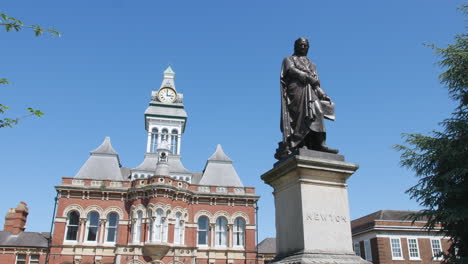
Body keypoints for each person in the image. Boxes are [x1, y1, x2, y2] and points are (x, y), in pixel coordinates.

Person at [275, 37, 338, 160]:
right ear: (295, 46)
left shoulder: (312, 65)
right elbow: (291, 71)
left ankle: (320, 143)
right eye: (301, 45)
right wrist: (306, 77)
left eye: (305, 45)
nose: (303, 47)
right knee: (299, 116)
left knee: (317, 112)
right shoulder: (288, 59)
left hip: (311, 92)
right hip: (296, 91)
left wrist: (322, 94)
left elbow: (316, 83)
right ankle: (300, 143)